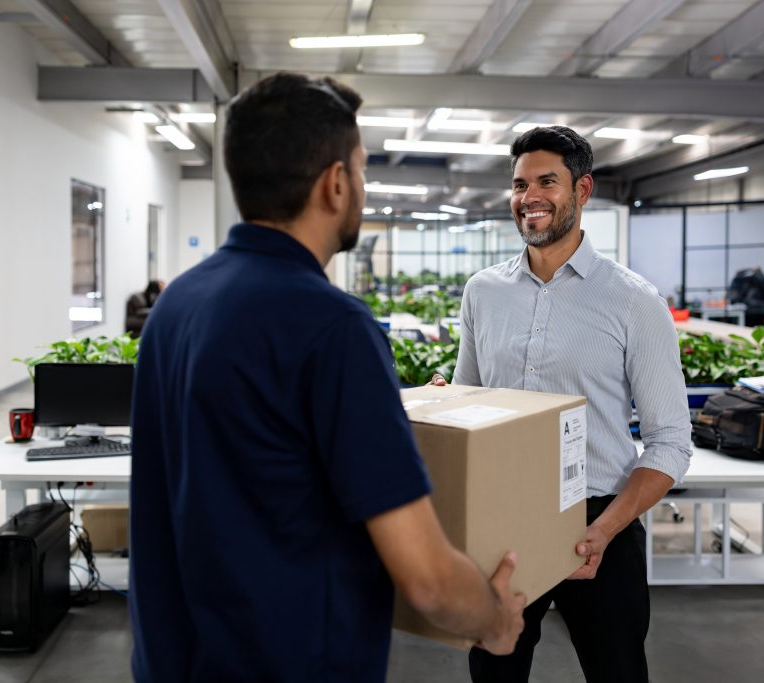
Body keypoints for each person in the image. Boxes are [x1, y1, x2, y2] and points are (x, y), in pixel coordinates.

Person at [127, 72, 526, 683]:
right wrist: (496, 622)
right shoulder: (332, 327)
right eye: (361, 170)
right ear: (335, 183)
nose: (362, 187)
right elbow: (426, 577)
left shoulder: (176, 305)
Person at [435, 126, 692, 682]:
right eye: (519, 184)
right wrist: (446, 403)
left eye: (546, 182)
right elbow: (470, 399)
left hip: (601, 519)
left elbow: (670, 443)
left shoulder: (634, 302)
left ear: (582, 190)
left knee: (617, 671)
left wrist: (606, 529)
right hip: (503, 521)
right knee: (494, 672)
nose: (529, 196)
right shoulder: (484, 291)